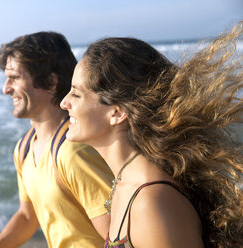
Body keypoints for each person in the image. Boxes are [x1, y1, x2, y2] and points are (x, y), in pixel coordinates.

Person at [60, 22, 243, 248]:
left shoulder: (151, 202)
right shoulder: (124, 184)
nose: (64, 103)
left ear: (117, 113)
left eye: (76, 94)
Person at [0, 31, 114, 248]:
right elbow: (28, 217)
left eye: (15, 78)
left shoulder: (74, 152)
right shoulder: (25, 147)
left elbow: (116, 238)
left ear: (50, 81)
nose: (6, 89)